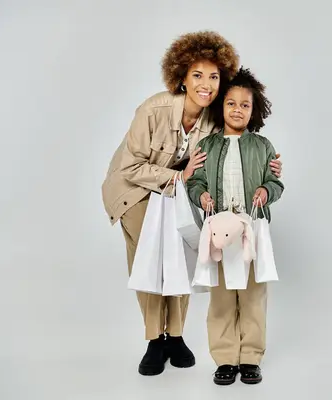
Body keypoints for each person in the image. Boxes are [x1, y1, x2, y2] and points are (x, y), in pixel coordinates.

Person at [101, 31, 284, 377]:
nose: (206, 84)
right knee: (151, 260)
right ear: (182, 77)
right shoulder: (153, 109)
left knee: (182, 254)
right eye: (197, 75)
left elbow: (240, 140)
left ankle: (177, 336)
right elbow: (131, 166)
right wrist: (181, 178)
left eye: (214, 77)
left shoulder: (214, 117)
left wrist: (270, 169)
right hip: (135, 189)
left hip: (176, 192)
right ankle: (156, 339)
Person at [186, 67, 284, 385]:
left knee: (253, 296)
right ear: (221, 106)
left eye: (245, 104)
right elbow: (195, 181)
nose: (238, 110)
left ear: (254, 111)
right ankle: (226, 358)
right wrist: (200, 194)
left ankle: (251, 357)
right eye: (231, 103)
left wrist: (266, 190)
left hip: (252, 231)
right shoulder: (208, 146)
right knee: (223, 298)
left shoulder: (263, 146)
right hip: (219, 231)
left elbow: (275, 182)